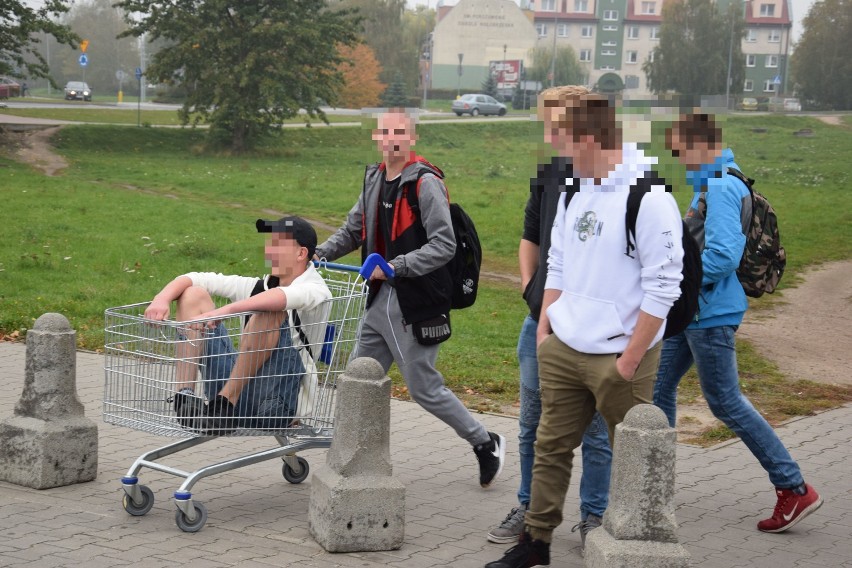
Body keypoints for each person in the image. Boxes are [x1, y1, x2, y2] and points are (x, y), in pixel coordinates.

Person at [486, 86, 684, 568]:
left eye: (561, 134)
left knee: (631, 453)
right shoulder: (575, 188)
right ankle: (536, 543)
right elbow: (557, 260)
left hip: (620, 354)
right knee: (550, 445)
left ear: (593, 135)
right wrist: (546, 325)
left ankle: (636, 544)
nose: (553, 145)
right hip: (563, 344)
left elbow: (664, 285)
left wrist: (632, 358)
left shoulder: (648, 195)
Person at [314, 108, 505, 488]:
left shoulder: (425, 183)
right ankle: (347, 451)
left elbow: (445, 245)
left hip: (414, 302)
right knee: (358, 378)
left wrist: (395, 266)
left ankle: (485, 442)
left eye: (400, 131)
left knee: (423, 388)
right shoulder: (373, 178)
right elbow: (353, 230)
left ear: (412, 138)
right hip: (377, 301)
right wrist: (317, 254)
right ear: (377, 137)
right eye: (385, 131)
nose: (392, 137)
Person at [653, 111, 823, 533]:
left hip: (710, 314)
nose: (681, 161)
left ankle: (794, 487)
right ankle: (653, 486)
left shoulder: (721, 185)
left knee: (726, 402)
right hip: (693, 311)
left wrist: (679, 277)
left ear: (700, 145)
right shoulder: (714, 182)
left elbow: (723, 256)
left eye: (682, 152)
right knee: (658, 389)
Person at [486, 95, 613, 549]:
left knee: (596, 431)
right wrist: (528, 287)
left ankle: (594, 516)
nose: (550, 133)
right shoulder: (550, 171)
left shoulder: (613, 176)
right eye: (547, 124)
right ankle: (528, 507)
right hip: (541, 320)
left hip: (595, 327)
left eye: (556, 124)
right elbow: (529, 236)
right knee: (532, 422)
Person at [144, 216, 331, 434]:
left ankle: (225, 405)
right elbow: (195, 277)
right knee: (193, 294)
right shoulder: (259, 287)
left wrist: (223, 311)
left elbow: (282, 298)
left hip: (277, 403)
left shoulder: (317, 290)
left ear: (301, 253)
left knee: (268, 311)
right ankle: (185, 399)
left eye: (279, 245)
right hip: (238, 395)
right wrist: (161, 298)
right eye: (270, 244)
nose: (270, 251)